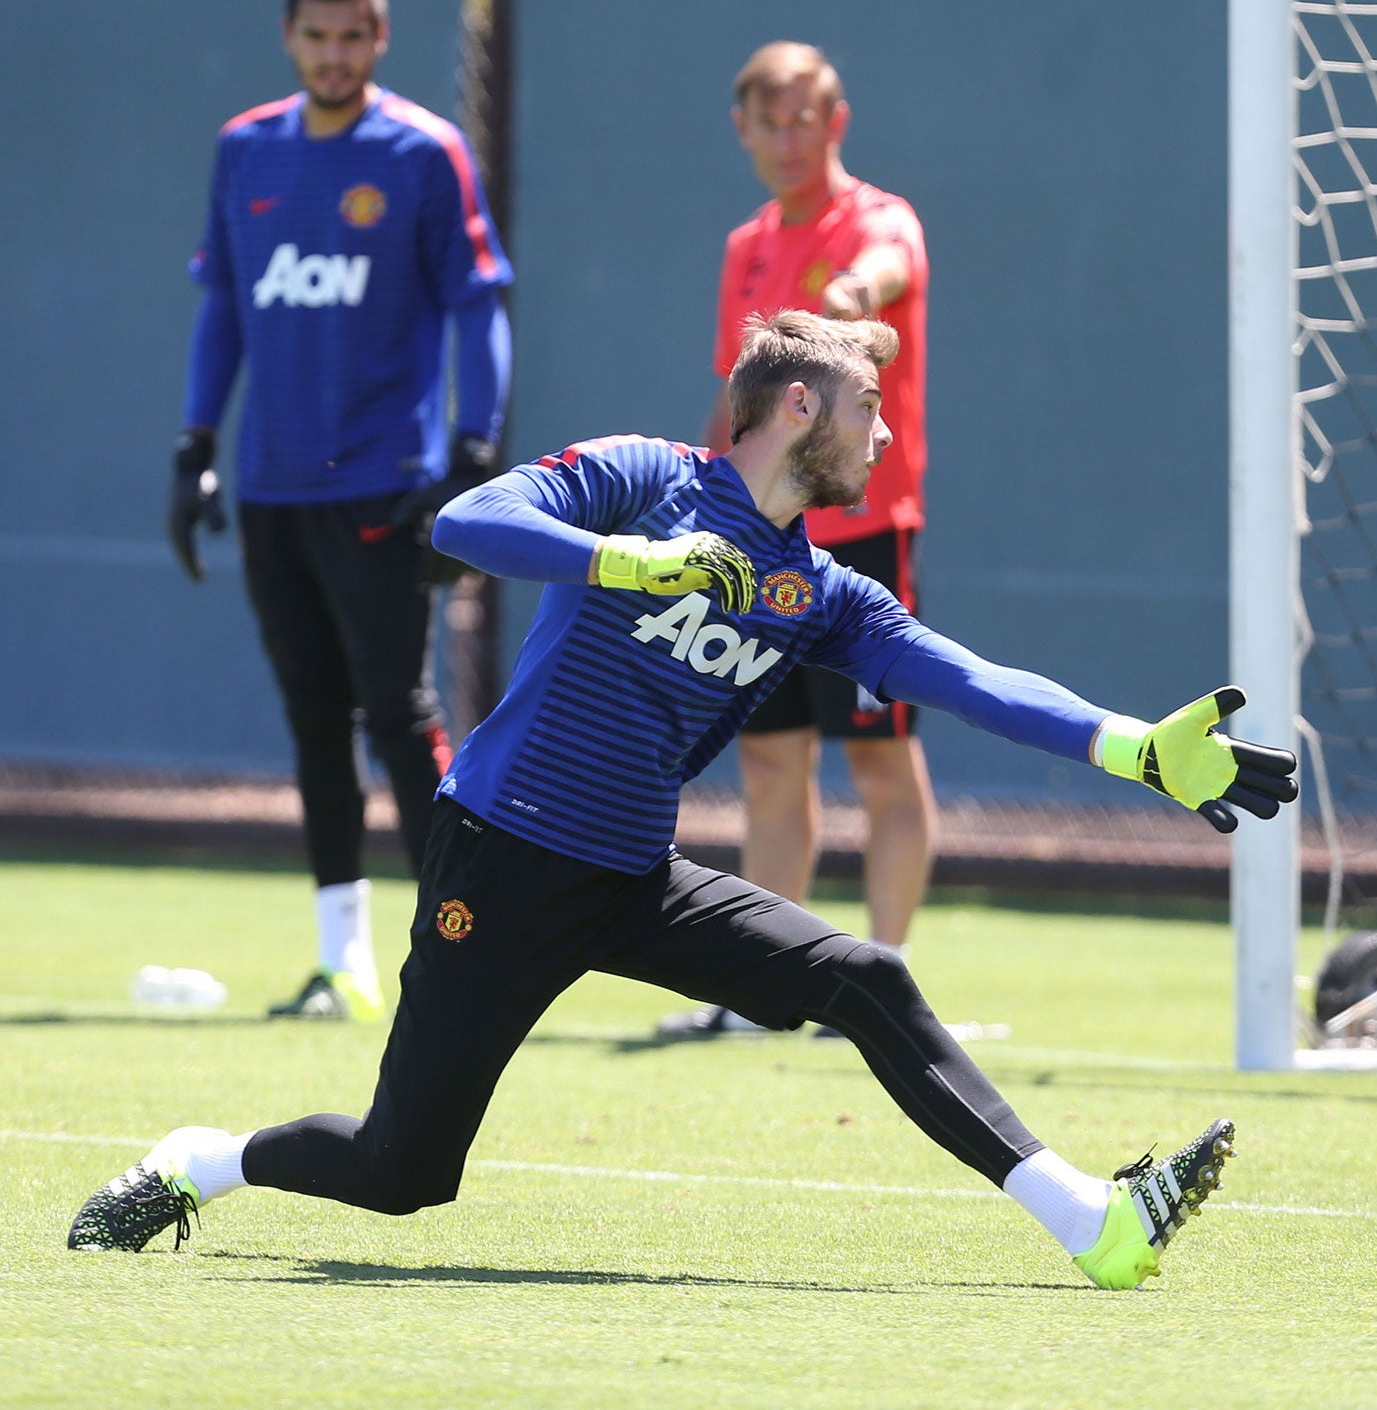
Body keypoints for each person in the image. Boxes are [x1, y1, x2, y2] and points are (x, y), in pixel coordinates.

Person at [69, 311, 1295, 1291]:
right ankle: (200, 1162)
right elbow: (463, 520)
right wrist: (626, 560)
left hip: (631, 879)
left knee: (865, 979)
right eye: (871, 404)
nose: (886, 432)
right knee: (402, 1173)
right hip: (499, 861)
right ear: (798, 406)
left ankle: (1089, 1219)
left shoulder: (819, 591)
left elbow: (971, 680)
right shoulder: (645, 478)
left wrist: (1134, 748)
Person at [169, 0, 514, 1022]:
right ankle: (340, 964)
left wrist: (470, 451)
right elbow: (224, 307)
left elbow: (479, 300)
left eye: (351, 36)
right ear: (290, 38)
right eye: (315, 36)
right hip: (272, 489)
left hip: (381, 486)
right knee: (311, 720)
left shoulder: (422, 151)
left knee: (397, 715)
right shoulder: (247, 149)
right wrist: (194, 446)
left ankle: (455, 949)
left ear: (380, 38)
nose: (333, 54)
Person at [660, 43, 932, 1040]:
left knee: (880, 770)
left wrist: (853, 299)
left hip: (862, 540)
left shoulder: (876, 219)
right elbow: (739, 397)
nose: (787, 138)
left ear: (836, 122)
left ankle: (887, 986)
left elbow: (886, 270)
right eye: (767, 122)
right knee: (771, 767)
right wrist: (698, 502)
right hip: (762, 546)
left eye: (803, 119)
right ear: (742, 131)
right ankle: (766, 992)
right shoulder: (745, 248)